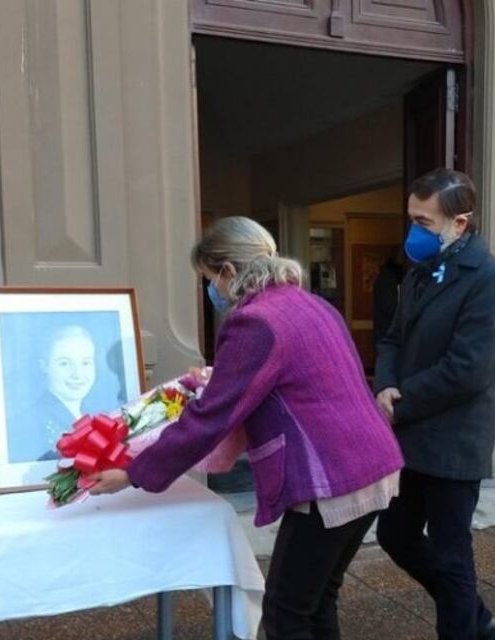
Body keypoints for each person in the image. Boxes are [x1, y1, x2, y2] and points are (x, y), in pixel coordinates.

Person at [89, 216, 405, 640]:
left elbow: (211, 418)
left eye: (209, 279)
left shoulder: (253, 321)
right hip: (373, 464)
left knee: (285, 613)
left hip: (330, 478)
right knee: (316, 600)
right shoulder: (311, 304)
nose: (212, 291)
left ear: (230, 272)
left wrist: (134, 471)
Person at [373, 168, 495, 640]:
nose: (414, 231)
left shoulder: (489, 280)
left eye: (425, 221)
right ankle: (474, 618)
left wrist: (403, 400)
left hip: (453, 440)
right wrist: (386, 386)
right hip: (410, 434)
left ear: (460, 223)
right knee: (396, 534)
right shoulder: (419, 272)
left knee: (452, 553)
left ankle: (463, 625)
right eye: (412, 219)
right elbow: (392, 338)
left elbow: (469, 369)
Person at [8, 324, 100, 462]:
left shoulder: (97, 417)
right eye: (64, 363)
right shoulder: (26, 423)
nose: (77, 374)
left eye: (86, 363)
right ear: (44, 366)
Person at [372, 248, 404, 345]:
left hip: (385, 332)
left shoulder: (385, 277)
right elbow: (389, 307)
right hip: (387, 333)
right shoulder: (388, 279)